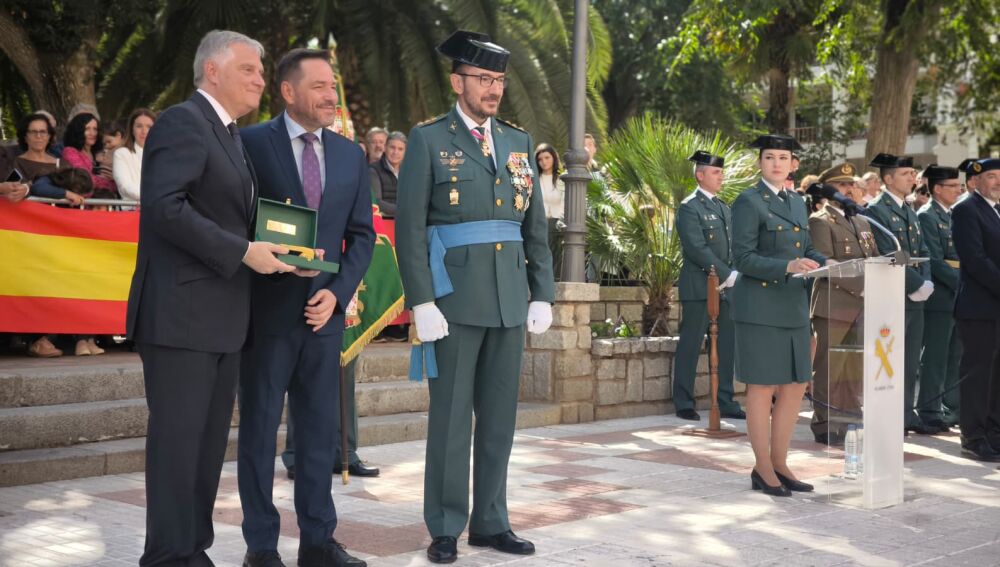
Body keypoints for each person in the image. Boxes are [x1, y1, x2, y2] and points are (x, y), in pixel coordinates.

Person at [125, 30, 302, 567]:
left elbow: (230, 216)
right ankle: (167, 556)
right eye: (249, 69)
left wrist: (280, 247)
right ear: (213, 72)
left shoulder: (227, 135)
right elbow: (165, 208)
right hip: (181, 317)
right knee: (178, 446)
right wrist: (244, 250)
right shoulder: (184, 121)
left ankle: (190, 549)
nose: (260, 80)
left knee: (203, 449)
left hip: (224, 318)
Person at [396, 30, 555, 564]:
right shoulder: (428, 139)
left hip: (510, 296)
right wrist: (421, 301)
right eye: (484, 79)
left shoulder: (516, 141)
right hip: (454, 299)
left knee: (499, 418)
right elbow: (411, 228)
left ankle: (491, 521)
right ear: (457, 81)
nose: (494, 90)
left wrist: (542, 292)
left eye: (500, 81)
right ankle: (444, 525)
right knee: (450, 419)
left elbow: (535, 225)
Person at [238, 47, 374, 567]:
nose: (330, 95)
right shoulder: (249, 143)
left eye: (332, 85)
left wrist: (336, 294)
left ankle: (318, 542)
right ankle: (260, 546)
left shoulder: (348, 155)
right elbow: (236, 220)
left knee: (318, 437)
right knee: (258, 432)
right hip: (265, 317)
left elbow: (361, 237)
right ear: (289, 92)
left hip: (324, 319)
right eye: (318, 86)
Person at [731, 134, 828, 497]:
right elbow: (741, 258)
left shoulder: (797, 202)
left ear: (793, 164)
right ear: (760, 162)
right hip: (760, 307)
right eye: (769, 157)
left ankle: (780, 462)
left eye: (783, 157)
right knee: (762, 388)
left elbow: (808, 247)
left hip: (795, 307)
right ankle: (762, 468)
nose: (775, 163)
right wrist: (786, 265)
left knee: (794, 387)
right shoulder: (748, 201)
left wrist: (827, 262)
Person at [863, 153, 936, 435]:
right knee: (888, 360)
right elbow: (887, 252)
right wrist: (916, 283)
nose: (912, 178)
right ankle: (887, 414)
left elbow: (923, 251)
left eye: (913, 173)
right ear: (888, 178)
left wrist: (926, 282)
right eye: (906, 174)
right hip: (892, 297)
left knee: (908, 360)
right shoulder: (876, 210)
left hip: (914, 298)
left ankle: (906, 412)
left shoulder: (908, 210)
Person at [807, 163, 878, 446]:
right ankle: (825, 421)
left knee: (853, 367)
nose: (849, 190)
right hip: (833, 303)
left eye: (851, 185)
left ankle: (850, 415)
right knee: (830, 367)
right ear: (827, 192)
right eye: (841, 186)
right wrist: (864, 288)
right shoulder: (820, 221)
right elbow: (826, 264)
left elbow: (874, 257)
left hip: (861, 305)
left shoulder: (862, 221)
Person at [673, 150, 745, 422]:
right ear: (699, 175)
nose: (721, 176)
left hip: (726, 286)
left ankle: (726, 401)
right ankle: (683, 401)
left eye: (721, 172)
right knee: (690, 344)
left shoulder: (723, 207)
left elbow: (732, 245)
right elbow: (696, 248)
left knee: (727, 345)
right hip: (699, 286)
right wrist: (727, 274)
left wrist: (734, 273)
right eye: (715, 172)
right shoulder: (689, 207)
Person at [951, 158, 1000, 462]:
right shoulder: (966, 209)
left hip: (996, 306)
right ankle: (973, 437)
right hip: (978, 308)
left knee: (997, 376)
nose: (997, 182)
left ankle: (994, 433)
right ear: (974, 182)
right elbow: (975, 259)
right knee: (978, 375)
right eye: (992, 177)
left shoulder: (996, 210)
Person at [916, 165, 963, 431]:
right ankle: (929, 409)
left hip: (957, 295)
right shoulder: (927, 216)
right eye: (953, 186)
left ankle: (951, 407)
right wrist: (962, 283)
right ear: (937, 189)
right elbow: (934, 259)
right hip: (941, 296)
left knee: (955, 354)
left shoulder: (953, 215)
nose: (959, 190)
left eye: (960, 186)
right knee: (935, 356)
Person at [11, 113, 86, 207]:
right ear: (25, 137)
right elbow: (13, 192)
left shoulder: (62, 164)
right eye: (33, 132)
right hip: (30, 218)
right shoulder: (15, 163)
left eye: (43, 132)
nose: (38, 136)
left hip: (61, 218)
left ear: (49, 136)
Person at [61, 112, 118, 197]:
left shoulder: (101, 152)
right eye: (87, 129)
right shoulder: (70, 152)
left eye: (95, 129)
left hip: (107, 203)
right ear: (78, 131)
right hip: (85, 205)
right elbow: (86, 179)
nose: (93, 133)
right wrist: (114, 184)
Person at [534, 142, 564, 281]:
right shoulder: (535, 179)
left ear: (553, 158)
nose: (544, 162)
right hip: (539, 223)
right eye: (540, 159)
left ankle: (554, 279)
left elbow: (565, 204)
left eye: (547, 158)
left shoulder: (561, 179)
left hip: (557, 224)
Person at [113, 108, 156, 203]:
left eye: (149, 127)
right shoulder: (122, 154)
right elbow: (125, 186)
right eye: (139, 126)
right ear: (132, 130)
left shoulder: (162, 155)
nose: (144, 131)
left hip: (160, 210)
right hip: (132, 211)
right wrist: (154, 197)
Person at [369, 131, 405, 218]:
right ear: (385, 148)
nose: (395, 152)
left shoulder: (409, 171)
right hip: (384, 224)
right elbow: (376, 202)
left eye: (400, 149)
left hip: (405, 224)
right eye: (392, 147)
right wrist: (404, 210)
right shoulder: (373, 170)